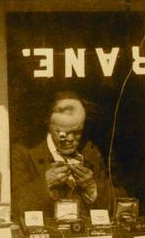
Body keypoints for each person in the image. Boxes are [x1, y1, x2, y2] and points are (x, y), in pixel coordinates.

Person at [10, 91, 116, 220]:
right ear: (49, 125)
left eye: (77, 132)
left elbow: (116, 203)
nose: (70, 139)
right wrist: (45, 183)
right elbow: (14, 206)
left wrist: (92, 187)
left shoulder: (91, 150)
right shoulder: (23, 152)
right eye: (61, 133)